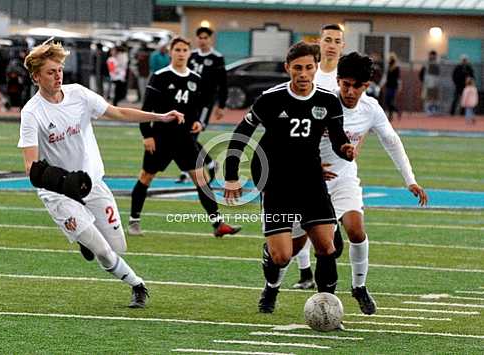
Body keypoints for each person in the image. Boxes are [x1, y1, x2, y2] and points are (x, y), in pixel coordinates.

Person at [17, 39, 184, 308]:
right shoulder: (31, 113)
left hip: (92, 183)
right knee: (103, 252)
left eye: (59, 69)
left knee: (118, 247)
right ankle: (138, 285)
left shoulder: (79, 95)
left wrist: (161, 117)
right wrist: (63, 182)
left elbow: (117, 112)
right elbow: (31, 167)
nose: (58, 75)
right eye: (50, 72)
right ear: (36, 76)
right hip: (59, 195)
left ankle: (86, 239)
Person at [287, 52, 428, 315]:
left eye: (357, 86)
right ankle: (273, 281)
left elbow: (392, 142)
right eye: (345, 84)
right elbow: (294, 138)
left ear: (366, 86)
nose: (350, 91)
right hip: (309, 182)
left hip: (344, 180)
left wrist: (411, 180)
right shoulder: (320, 101)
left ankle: (359, 287)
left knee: (356, 230)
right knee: (290, 249)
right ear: (338, 81)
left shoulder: (371, 109)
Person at [224, 41, 354, 316]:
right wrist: (232, 175)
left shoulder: (328, 100)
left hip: (311, 183)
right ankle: (271, 287)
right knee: (282, 256)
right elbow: (240, 134)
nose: (303, 73)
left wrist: (345, 148)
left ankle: (326, 307)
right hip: (276, 183)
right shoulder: (271, 99)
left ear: (316, 68)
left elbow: (339, 135)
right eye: (298, 68)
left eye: (309, 67)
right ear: (287, 68)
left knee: (327, 247)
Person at [128, 37, 241, 238]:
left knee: (202, 180)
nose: (181, 53)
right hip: (161, 137)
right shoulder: (160, 76)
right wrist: (147, 135)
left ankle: (218, 224)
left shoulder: (195, 79)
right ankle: (133, 221)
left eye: (184, 50)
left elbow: (195, 107)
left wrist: (196, 121)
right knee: (146, 177)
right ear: (171, 52)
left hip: (185, 140)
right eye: (177, 49)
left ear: (189, 53)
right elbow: (147, 109)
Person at [294, 23, 345, 291]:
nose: (332, 45)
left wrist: (347, 148)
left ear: (342, 45)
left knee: (329, 238)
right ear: (320, 43)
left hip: (336, 163)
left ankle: (324, 282)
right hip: (307, 159)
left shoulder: (345, 77)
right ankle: (304, 273)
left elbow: (359, 117)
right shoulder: (308, 74)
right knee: (297, 226)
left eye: (337, 40)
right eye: (328, 39)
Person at [176, 27, 227, 184]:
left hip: (205, 103)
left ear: (210, 39)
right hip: (189, 101)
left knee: (190, 137)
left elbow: (223, 83)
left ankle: (206, 164)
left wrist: (221, 105)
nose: (202, 40)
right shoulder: (192, 56)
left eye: (205, 37)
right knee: (184, 136)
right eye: (200, 37)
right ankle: (194, 168)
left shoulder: (217, 58)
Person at [419, 50, 441, 116]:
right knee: (428, 97)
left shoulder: (437, 63)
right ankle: (428, 110)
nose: (432, 57)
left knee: (435, 98)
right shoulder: (426, 63)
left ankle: (434, 110)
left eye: (434, 56)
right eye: (431, 55)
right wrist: (423, 81)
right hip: (428, 83)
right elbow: (421, 73)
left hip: (436, 84)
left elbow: (439, 74)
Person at [384, 52, 401, 121]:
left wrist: (399, 86)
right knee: (387, 101)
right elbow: (386, 77)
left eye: (391, 58)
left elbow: (398, 78)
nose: (390, 60)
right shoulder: (388, 67)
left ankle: (390, 116)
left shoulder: (397, 68)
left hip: (393, 86)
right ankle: (397, 111)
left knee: (391, 101)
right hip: (388, 86)